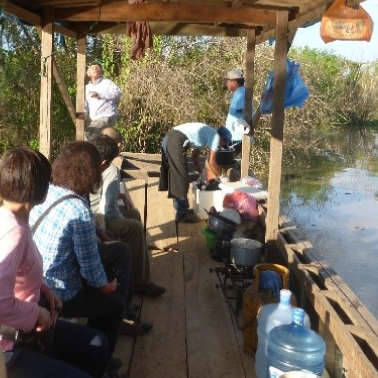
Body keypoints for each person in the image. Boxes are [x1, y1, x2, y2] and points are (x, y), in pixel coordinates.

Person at [0, 148, 110, 378]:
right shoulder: (14, 233)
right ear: (41, 189)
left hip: (22, 335)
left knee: (98, 344)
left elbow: (22, 272)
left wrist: (44, 289)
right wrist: (36, 314)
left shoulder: (6, 215)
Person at [30, 142, 126, 367]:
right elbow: (90, 268)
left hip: (38, 283)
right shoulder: (78, 209)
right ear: (91, 172)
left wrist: (102, 237)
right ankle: (101, 360)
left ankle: (90, 340)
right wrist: (107, 288)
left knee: (118, 252)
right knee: (115, 303)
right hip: (60, 295)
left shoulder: (45, 191)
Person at [90, 134, 166, 301]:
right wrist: (120, 222)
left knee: (133, 213)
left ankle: (137, 266)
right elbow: (108, 210)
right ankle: (141, 281)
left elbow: (102, 193)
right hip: (97, 219)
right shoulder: (111, 170)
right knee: (133, 227)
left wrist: (120, 195)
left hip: (93, 213)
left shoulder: (85, 162)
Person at [158, 123, 230, 223]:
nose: (221, 146)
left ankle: (182, 209)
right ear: (223, 138)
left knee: (178, 177)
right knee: (180, 179)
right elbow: (212, 162)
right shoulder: (215, 136)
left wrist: (202, 173)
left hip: (170, 138)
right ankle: (181, 215)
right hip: (175, 140)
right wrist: (221, 178)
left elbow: (195, 157)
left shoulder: (206, 135)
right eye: (223, 143)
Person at [85, 63, 122, 139]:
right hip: (95, 120)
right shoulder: (87, 88)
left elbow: (118, 94)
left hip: (107, 116)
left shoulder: (107, 82)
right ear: (88, 73)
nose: (95, 68)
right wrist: (80, 116)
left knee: (88, 133)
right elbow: (84, 106)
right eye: (92, 68)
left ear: (101, 72)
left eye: (97, 67)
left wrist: (100, 94)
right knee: (99, 139)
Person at [223, 69, 248, 151]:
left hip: (237, 137)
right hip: (235, 137)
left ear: (234, 82)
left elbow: (244, 108)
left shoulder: (241, 93)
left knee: (223, 160)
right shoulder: (238, 93)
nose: (226, 83)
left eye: (227, 81)